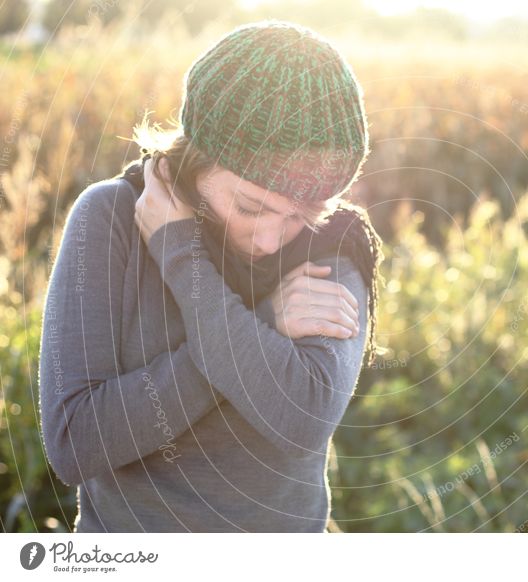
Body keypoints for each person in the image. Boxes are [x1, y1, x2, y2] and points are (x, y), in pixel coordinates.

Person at [37, 19, 385, 532]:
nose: (271, 240)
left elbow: (300, 419)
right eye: (251, 207)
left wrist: (182, 259)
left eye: (302, 211)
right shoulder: (111, 218)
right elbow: (75, 444)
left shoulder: (333, 239)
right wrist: (262, 322)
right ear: (197, 161)